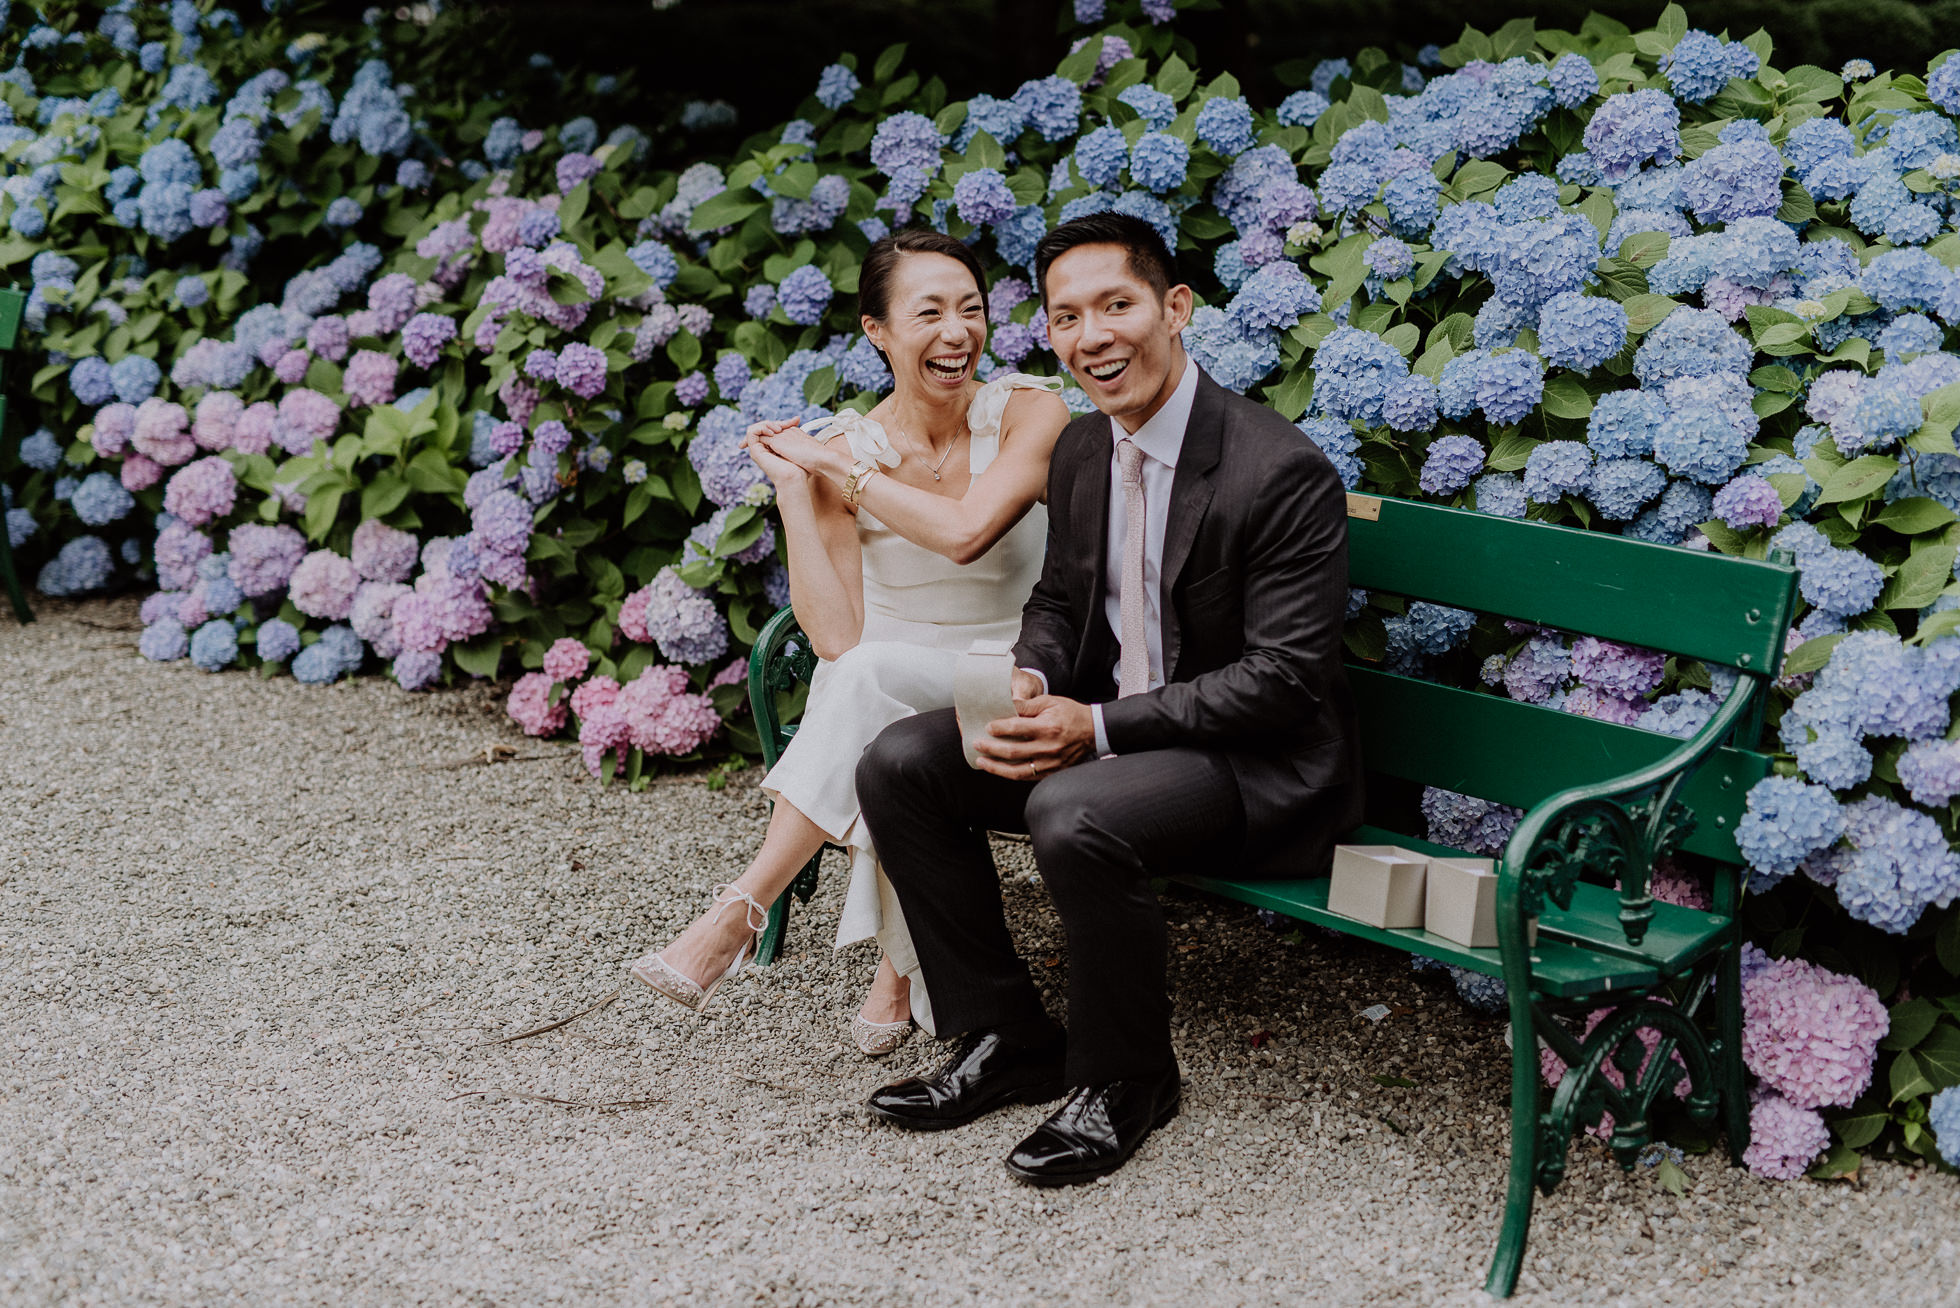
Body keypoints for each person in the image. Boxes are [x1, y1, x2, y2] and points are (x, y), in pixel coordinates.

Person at [853, 212, 1363, 1184]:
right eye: (1067, 316)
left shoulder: (1277, 470)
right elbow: (1055, 601)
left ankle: (1126, 1080)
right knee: (904, 763)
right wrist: (1034, 677)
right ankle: (1006, 1035)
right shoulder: (1083, 452)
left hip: (1255, 770)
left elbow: (1284, 682)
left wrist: (1092, 726)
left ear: (1174, 309)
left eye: (1116, 305)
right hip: (1114, 743)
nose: (1094, 335)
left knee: (1071, 807)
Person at [626, 228, 1071, 1057]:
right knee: (864, 684)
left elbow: (969, 534)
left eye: (971, 310)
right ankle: (895, 968)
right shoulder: (840, 450)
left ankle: (746, 905)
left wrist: (849, 478)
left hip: (1013, 674)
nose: (958, 332)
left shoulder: (1026, 411)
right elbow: (836, 635)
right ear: (878, 331)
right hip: (887, 681)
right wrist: (798, 489)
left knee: (862, 687)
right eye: (929, 312)